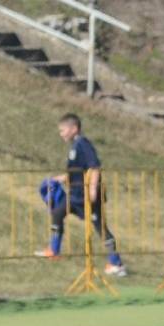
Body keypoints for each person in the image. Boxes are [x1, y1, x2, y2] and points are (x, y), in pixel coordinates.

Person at [35, 113, 126, 277]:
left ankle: (116, 263)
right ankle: (54, 250)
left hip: (87, 197)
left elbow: (95, 168)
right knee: (57, 212)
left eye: (63, 130)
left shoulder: (83, 144)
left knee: (100, 227)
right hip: (75, 195)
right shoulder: (74, 147)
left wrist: (92, 190)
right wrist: (58, 179)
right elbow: (76, 172)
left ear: (74, 128)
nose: (61, 134)